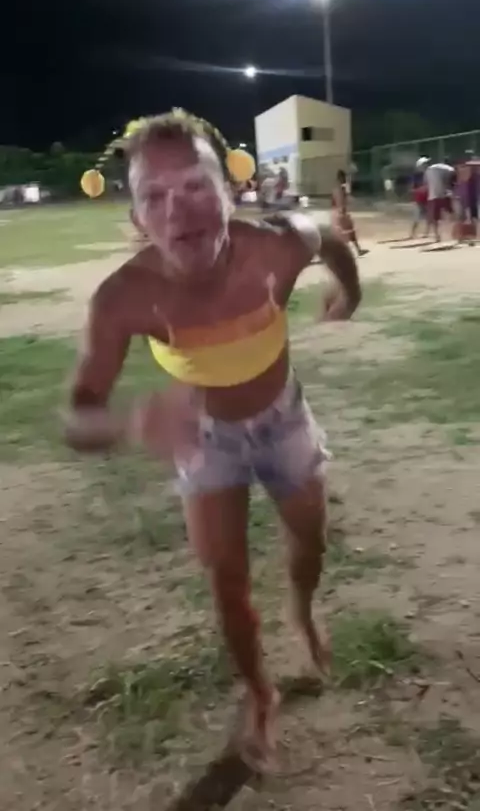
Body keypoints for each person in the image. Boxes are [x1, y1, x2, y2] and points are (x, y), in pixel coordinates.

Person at [66, 111, 361, 770]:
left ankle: (302, 611)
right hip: (205, 441)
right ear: (137, 218)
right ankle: (259, 693)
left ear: (231, 190)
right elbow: (78, 417)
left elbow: (329, 237)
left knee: (311, 541)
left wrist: (350, 293)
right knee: (226, 580)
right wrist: (131, 423)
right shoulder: (123, 298)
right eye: (154, 195)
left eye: (196, 184)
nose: (180, 209)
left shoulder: (278, 246)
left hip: (284, 418)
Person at [332, 169, 365, 257]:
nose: (345, 180)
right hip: (342, 214)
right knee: (348, 233)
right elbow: (341, 201)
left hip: (339, 213)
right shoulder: (341, 189)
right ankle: (356, 250)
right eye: (344, 178)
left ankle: (357, 250)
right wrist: (342, 212)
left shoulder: (336, 189)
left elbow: (334, 202)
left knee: (347, 233)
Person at [425, 159, 455, 242]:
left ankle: (438, 235)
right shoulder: (446, 168)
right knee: (450, 213)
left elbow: (426, 184)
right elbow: (452, 175)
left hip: (434, 196)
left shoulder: (429, 170)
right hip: (443, 194)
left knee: (435, 218)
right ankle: (451, 232)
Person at [409, 158, 430, 240]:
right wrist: (421, 189)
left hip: (427, 198)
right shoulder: (416, 176)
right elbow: (412, 189)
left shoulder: (429, 174)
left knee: (429, 216)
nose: (427, 165)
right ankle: (413, 233)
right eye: (425, 164)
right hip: (418, 199)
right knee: (416, 217)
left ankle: (427, 233)